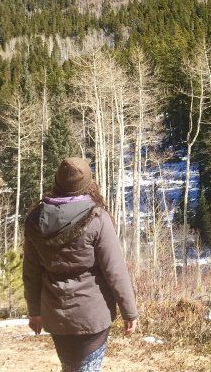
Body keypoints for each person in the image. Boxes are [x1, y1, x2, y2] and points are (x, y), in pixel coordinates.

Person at [23, 157, 138, 372]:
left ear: (56, 182)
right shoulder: (97, 217)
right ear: (89, 185)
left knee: (71, 368)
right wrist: (129, 312)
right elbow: (115, 270)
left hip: (55, 314)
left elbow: (31, 272)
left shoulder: (35, 219)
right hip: (92, 315)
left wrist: (35, 311)